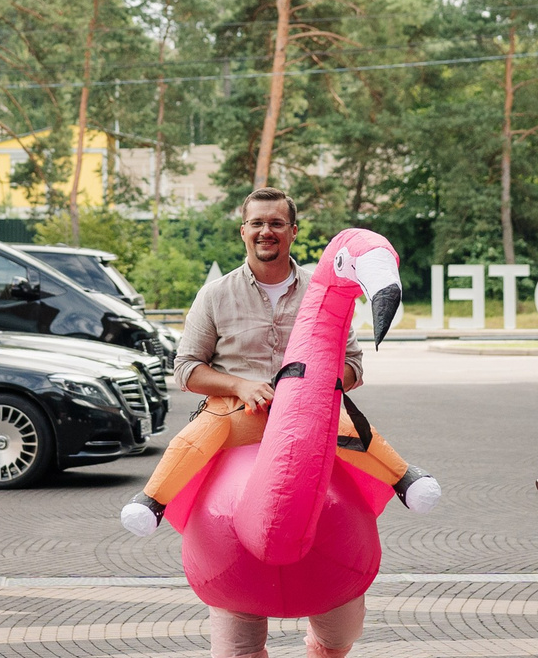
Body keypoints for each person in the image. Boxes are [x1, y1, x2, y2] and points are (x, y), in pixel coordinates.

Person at [122, 187, 434, 523]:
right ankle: (152, 501)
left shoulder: (321, 293)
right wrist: (241, 386)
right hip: (232, 411)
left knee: (354, 433)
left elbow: (353, 365)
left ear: (293, 231)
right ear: (243, 230)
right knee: (197, 437)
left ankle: (405, 479)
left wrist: (308, 391)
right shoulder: (214, 294)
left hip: (307, 413)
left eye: (277, 223)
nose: (266, 232)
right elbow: (185, 369)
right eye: (256, 223)